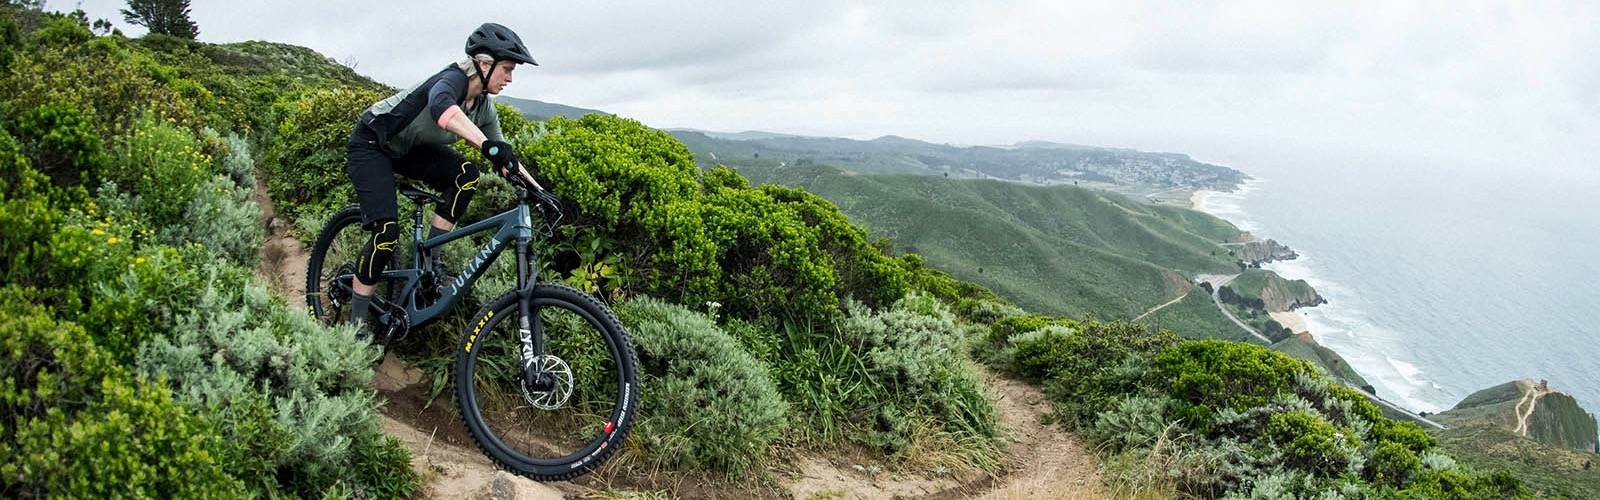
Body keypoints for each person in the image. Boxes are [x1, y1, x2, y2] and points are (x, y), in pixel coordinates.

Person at [344, 22, 540, 334]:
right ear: (484, 64)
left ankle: (430, 266)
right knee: (387, 232)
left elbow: (506, 158)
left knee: (467, 175)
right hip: (372, 142)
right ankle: (354, 325)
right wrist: (488, 147)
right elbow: (442, 109)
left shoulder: (484, 107)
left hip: (408, 149)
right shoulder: (451, 80)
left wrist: (538, 191)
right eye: (506, 69)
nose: (510, 78)